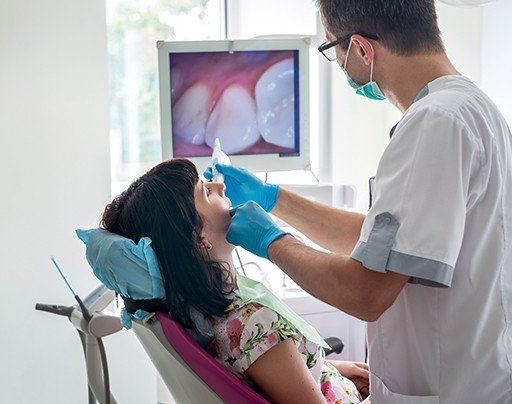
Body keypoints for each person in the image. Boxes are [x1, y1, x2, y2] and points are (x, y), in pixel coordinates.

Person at [205, 1, 512, 403]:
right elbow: (385, 246)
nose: (341, 66)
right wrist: (274, 199)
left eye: (334, 51)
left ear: (362, 50)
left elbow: (366, 293)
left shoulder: (434, 124)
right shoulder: (473, 109)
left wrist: (272, 241)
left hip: (452, 388)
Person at [100, 158, 370, 404]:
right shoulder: (254, 323)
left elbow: (269, 373)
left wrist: (325, 369)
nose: (219, 185)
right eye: (206, 191)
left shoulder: (209, 319)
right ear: (198, 238)